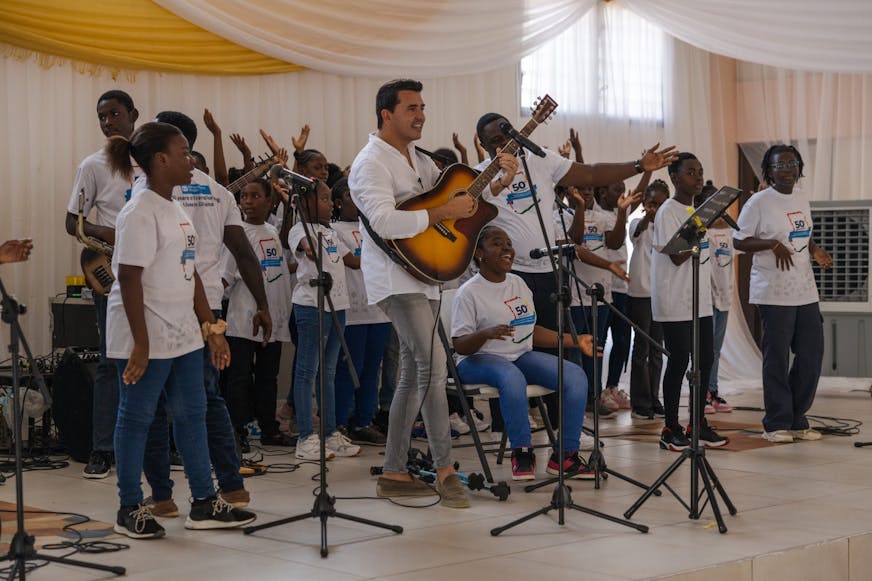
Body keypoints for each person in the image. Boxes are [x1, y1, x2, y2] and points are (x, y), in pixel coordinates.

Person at [348, 79, 517, 509]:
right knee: (433, 367)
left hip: (427, 272)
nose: (421, 115)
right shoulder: (370, 163)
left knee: (414, 373)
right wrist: (443, 211)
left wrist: (497, 181)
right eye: (411, 108)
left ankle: (394, 470)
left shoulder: (419, 158)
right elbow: (386, 222)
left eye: (422, 107)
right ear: (386, 114)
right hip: (395, 278)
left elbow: (459, 197)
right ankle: (445, 470)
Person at [475, 112, 676, 428]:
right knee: (507, 349)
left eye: (506, 138)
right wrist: (501, 179)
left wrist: (639, 166)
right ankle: (510, 428)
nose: (502, 147)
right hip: (509, 277)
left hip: (547, 271)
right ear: (483, 145)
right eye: (494, 142)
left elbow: (591, 173)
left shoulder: (540, 160)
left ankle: (559, 426)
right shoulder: (477, 178)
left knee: (554, 351)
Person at [104, 121, 256, 539]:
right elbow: (129, 279)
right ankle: (129, 507)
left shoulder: (176, 207)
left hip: (184, 329)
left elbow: (191, 273)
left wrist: (211, 327)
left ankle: (204, 502)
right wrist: (140, 344)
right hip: (146, 329)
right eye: (184, 152)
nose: (191, 160)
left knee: (192, 414)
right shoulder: (138, 211)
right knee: (136, 417)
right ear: (160, 160)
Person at [137, 111, 272, 517]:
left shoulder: (154, 188)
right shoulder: (219, 192)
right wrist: (263, 304)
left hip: (165, 303)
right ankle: (232, 485)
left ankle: (162, 496)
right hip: (208, 304)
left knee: (155, 401)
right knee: (206, 398)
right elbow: (242, 252)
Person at [452, 226, 596, 481]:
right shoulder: (469, 292)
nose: (507, 248)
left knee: (574, 376)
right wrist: (485, 334)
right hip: (475, 360)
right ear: (479, 253)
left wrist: (574, 341)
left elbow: (531, 331)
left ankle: (565, 456)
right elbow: (460, 345)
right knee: (511, 376)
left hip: (518, 356)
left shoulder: (518, 283)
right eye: (497, 243)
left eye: (508, 243)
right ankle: (522, 452)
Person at [63, 89, 140, 480]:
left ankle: (153, 444)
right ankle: (102, 448)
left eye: (114, 114)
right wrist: (106, 233)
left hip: (151, 272)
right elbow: (72, 222)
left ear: (133, 114)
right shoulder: (92, 165)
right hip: (111, 271)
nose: (108, 122)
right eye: (102, 117)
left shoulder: (152, 160)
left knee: (157, 358)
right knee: (111, 361)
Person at [733, 145, 832, 443]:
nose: (787, 169)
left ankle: (797, 418)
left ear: (799, 167)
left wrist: (815, 249)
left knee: (811, 354)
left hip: (805, 290)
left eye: (792, 163)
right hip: (773, 291)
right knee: (776, 358)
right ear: (769, 171)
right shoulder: (758, 202)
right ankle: (776, 423)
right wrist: (771, 244)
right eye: (779, 165)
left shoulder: (801, 197)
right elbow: (739, 241)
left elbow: (802, 232)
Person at [651, 153, 728, 451]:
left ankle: (697, 423)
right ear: (674, 177)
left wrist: (702, 221)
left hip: (700, 301)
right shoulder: (668, 211)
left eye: (700, 172)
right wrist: (702, 224)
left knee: (705, 360)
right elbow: (677, 255)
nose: (697, 178)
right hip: (674, 299)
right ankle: (670, 427)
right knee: (680, 360)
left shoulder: (696, 211)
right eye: (690, 172)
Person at [289, 179, 362, 460]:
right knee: (307, 372)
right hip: (312, 306)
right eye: (324, 199)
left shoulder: (330, 232)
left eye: (331, 199)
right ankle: (306, 438)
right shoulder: (299, 229)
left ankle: (330, 433)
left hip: (338, 306)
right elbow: (306, 246)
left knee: (328, 372)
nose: (330, 204)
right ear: (305, 202)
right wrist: (308, 245)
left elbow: (353, 260)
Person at [221, 179, 294, 449]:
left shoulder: (271, 231)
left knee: (267, 376)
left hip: (273, 317)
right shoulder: (237, 234)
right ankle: (237, 429)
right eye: (244, 196)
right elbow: (226, 276)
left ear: (269, 201)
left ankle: (268, 428)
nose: (248, 202)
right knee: (239, 376)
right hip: (244, 318)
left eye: (255, 196)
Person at [331, 178, 390, 446]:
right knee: (348, 368)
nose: (357, 201)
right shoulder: (333, 230)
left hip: (379, 310)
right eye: (350, 195)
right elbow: (353, 262)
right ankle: (340, 421)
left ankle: (364, 421)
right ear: (338, 202)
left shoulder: (373, 227)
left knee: (371, 368)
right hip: (353, 312)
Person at [627, 180, 668, 419]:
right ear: (644, 204)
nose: (655, 209)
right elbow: (636, 232)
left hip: (660, 294)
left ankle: (654, 398)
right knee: (641, 348)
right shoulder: (637, 223)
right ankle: (639, 403)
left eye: (661, 205)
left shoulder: (668, 228)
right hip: (640, 294)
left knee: (657, 349)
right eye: (652, 204)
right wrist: (647, 217)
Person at [695, 181, 734, 414]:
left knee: (716, 348)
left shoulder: (728, 233)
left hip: (724, 297)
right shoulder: (700, 233)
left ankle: (713, 389)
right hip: (706, 298)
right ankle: (702, 394)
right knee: (705, 349)